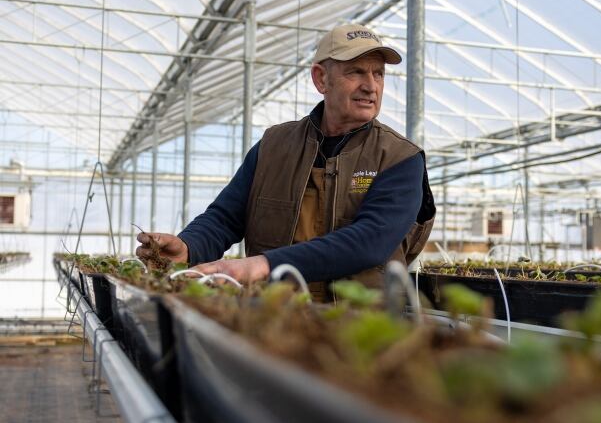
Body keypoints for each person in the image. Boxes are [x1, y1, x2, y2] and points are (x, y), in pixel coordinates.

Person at [136, 24, 435, 300]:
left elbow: (370, 241)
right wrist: (188, 246)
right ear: (321, 78)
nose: (371, 86)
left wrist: (264, 265)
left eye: (378, 74)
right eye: (356, 72)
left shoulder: (400, 159)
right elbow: (225, 217)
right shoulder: (273, 147)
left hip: (361, 331)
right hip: (277, 321)